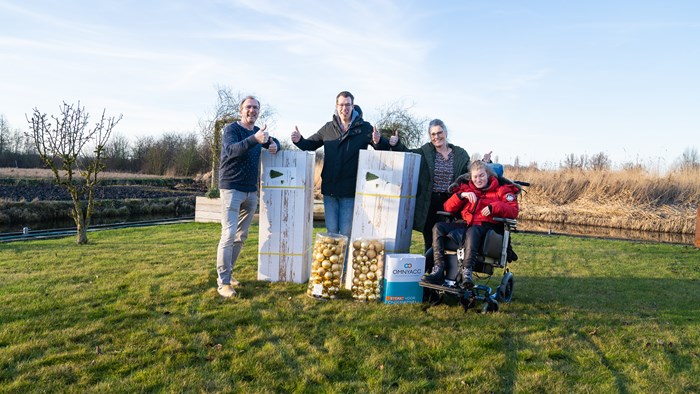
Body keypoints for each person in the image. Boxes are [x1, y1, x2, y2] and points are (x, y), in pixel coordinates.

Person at [291, 91, 390, 237]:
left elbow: (383, 149)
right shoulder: (328, 128)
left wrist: (378, 141)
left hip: (350, 190)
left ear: (352, 106)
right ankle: (335, 261)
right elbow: (310, 145)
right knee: (331, 233)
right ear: (337, 106)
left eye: (348, 105)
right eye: (341, 105)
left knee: (346, 233)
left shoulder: (364, 128)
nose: (345, 108)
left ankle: (344, 261)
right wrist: (299, 140)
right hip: (329, 188)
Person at [216, 96, 281, 298]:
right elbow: (231, 150)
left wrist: (274, 145)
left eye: (255, 108)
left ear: (259, 112)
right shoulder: (231, 130)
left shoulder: (257, 132)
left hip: (250, 191)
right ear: (241, 110)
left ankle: (229, 273)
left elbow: (273, 141)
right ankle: (223, 283)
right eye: (248, 107)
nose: (251, 111)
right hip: (231, 188)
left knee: (240, 236)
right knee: (228, 235)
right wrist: (256, 139)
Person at [422, 160, 519, 288]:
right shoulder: (466, 189)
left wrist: (494, 207)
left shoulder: (502, 190)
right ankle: (438, 268)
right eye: (475, 177)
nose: (478, 180)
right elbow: (448, 208)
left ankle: (467, 271)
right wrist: (461, 196)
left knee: (473, 231)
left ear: (488, 175)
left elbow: (513, 211)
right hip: (466, 224)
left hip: (487, 227)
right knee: (438, 227)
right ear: (471, 178)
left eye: (481, 176)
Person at [388, 119, 471, 253]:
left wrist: (486, 163)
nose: (436, 137)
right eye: (433, 134)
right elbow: (407, 153)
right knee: (430, 238)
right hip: (429, 202)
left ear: (446, 133)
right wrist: (396, 143)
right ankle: (431, 269)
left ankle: (448, 270)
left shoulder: (460, 154)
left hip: (452, 202)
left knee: (449, 238)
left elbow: (470, 172)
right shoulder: (425, 152)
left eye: (439, 133)